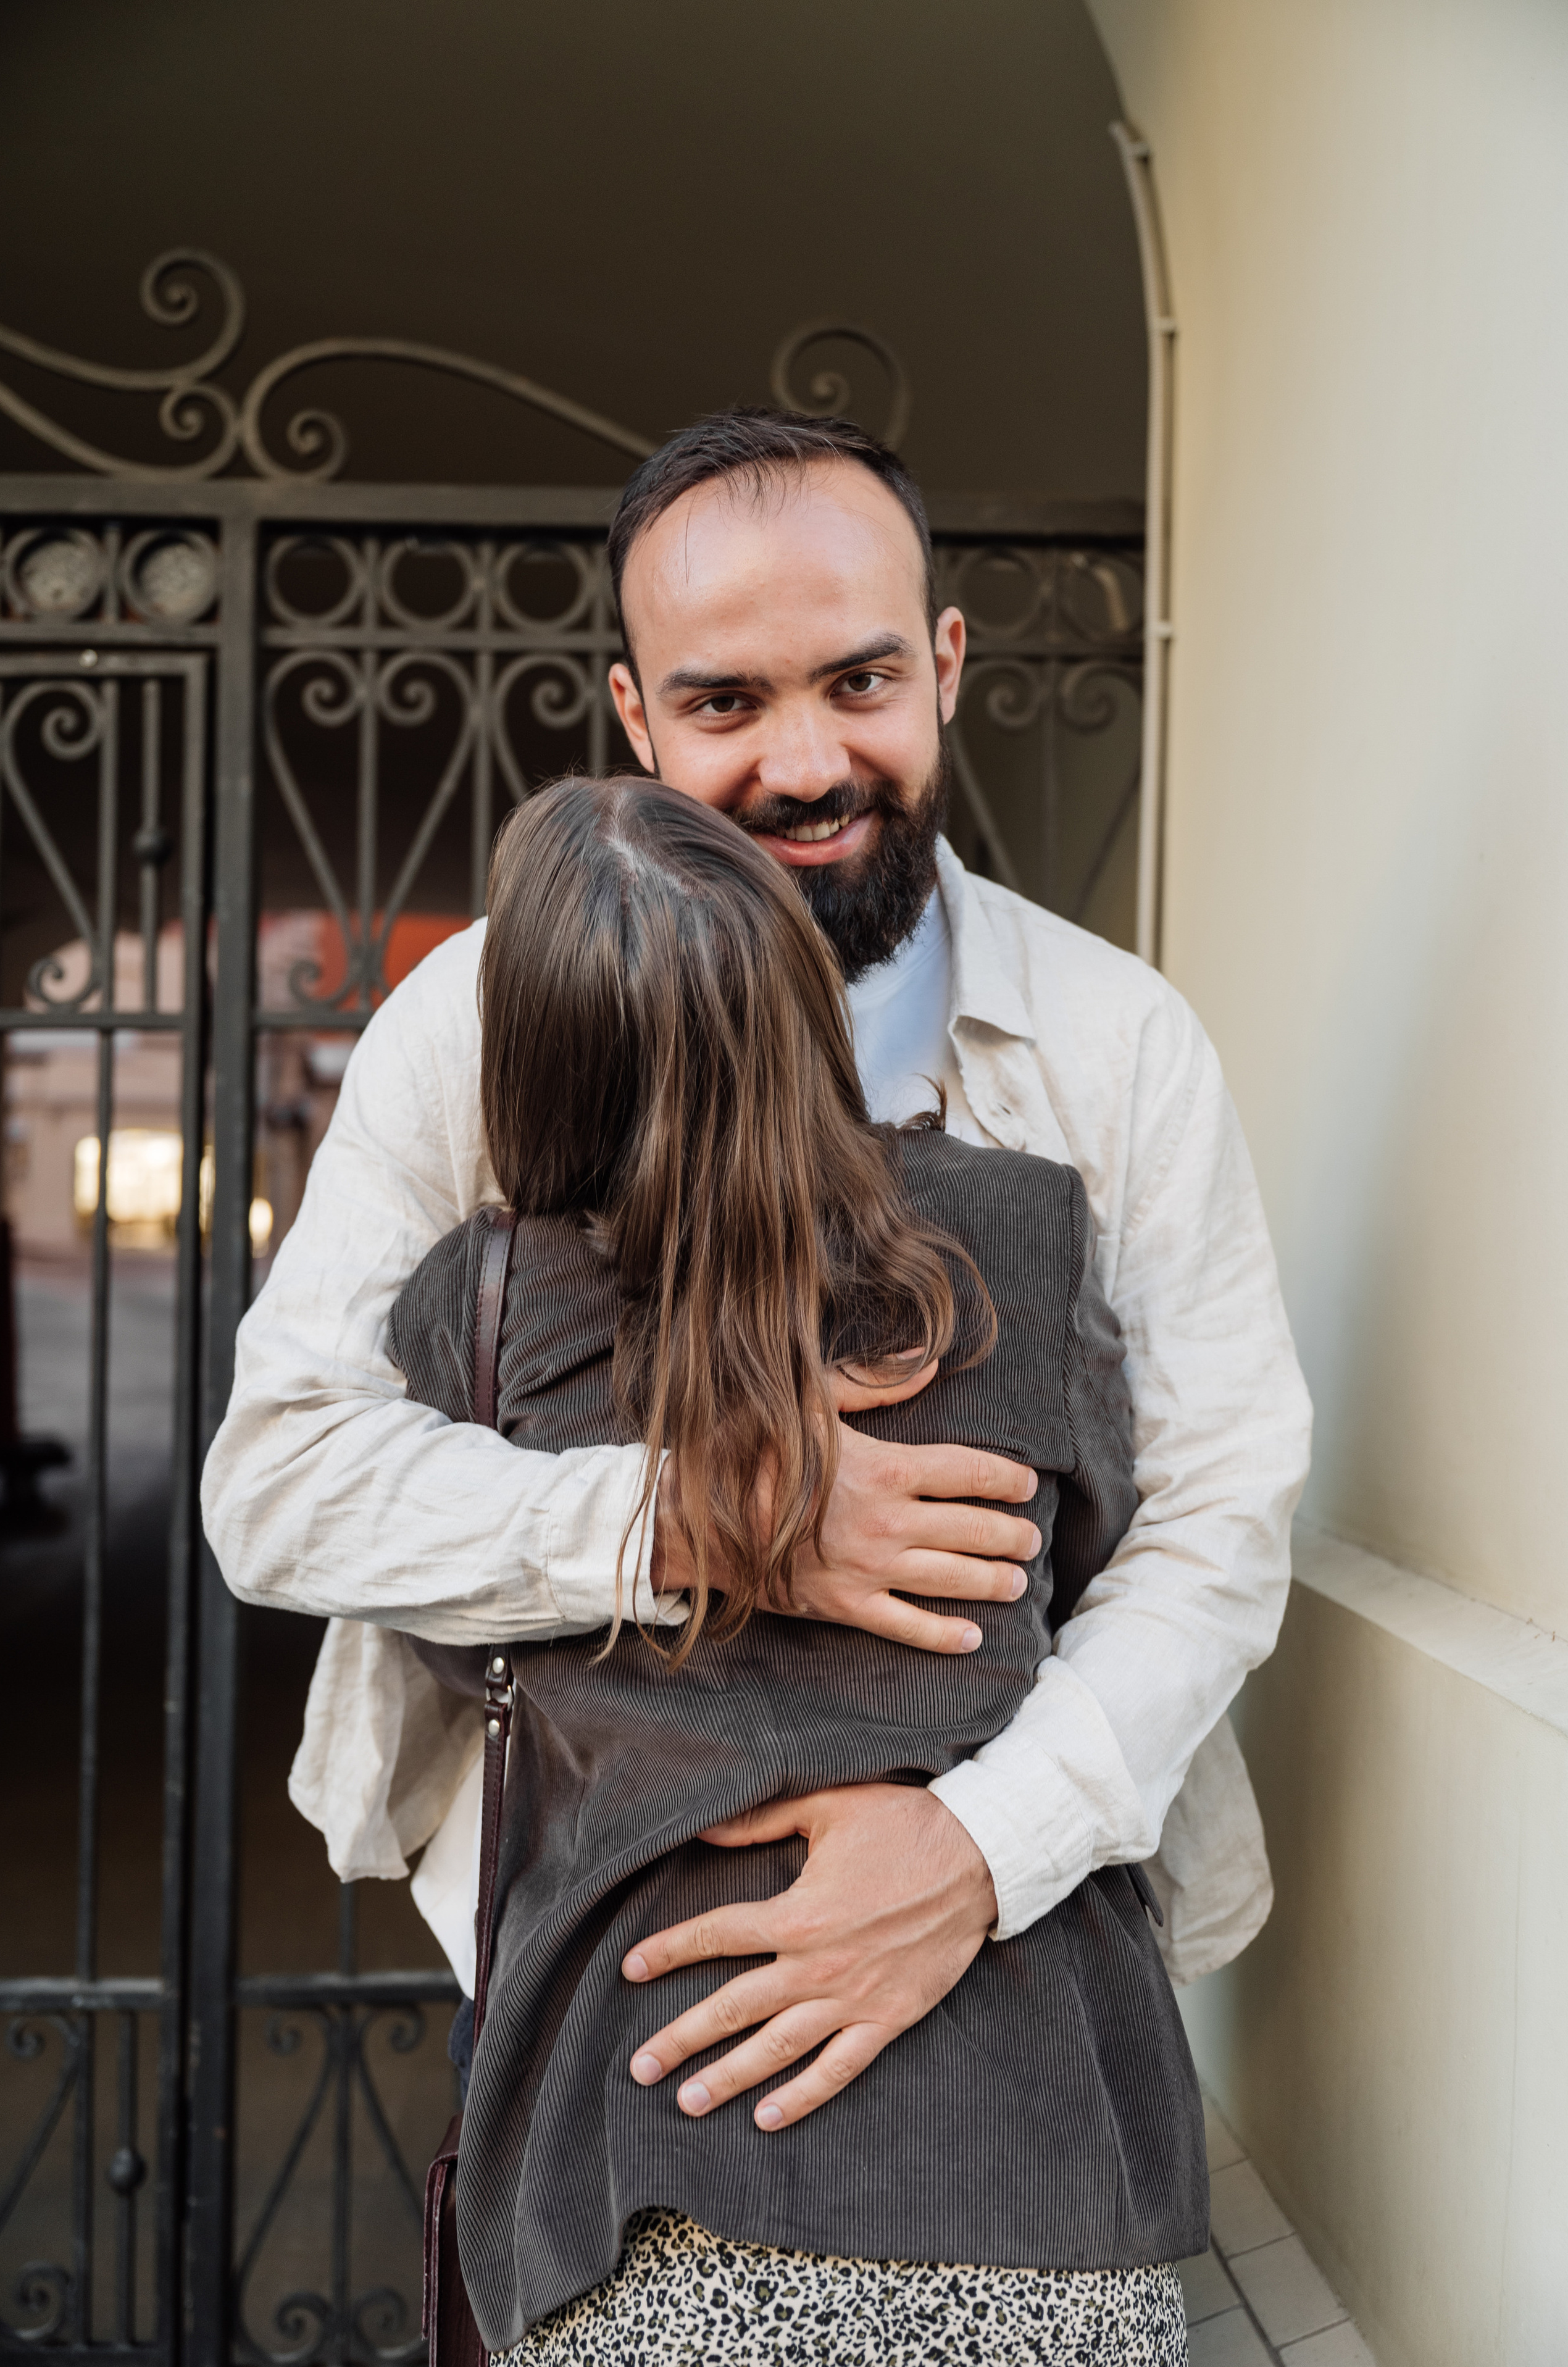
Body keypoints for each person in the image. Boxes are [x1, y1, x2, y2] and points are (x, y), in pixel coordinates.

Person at [201, 409, 1310, 2148]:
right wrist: (701, 1516)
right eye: (727, 703)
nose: (806, 765)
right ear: (636, 717)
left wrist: (971, 1853)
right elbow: (276, 1482)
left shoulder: (1120, 1044)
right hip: (591, 1947)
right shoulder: (471, 1030)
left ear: (946, 666)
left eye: (860, 682)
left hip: (1037, 1933)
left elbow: (1222, 1515)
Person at [391, 772, 1207, 2361]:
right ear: (802, 999)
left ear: (532, 1060)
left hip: (645, 2138)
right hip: (1031, 2156)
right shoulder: (1021, 1239)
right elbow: (1103, 1561)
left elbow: (449, 1632)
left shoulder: (479, 1317)